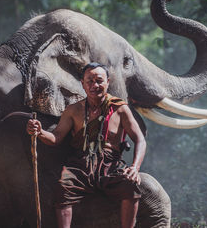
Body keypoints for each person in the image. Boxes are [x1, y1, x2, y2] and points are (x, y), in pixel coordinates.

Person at [26, 62, 146, 228]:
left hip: (110, 164)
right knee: (63, 186)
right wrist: (39, 132)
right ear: (82, 83)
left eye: (99, 81)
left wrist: (134, 168)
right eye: (89, 81)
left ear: (108, 82)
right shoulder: (73, 110)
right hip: (79, 164)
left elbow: (140, 139)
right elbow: (56, 137)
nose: (94, 85)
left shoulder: (120, 109)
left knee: (130, 185)